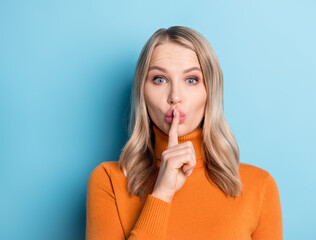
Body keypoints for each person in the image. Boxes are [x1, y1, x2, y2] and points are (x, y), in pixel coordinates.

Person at [86, 26, 282, 240]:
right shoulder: (109, 181)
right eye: (160, 79)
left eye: (191, 80)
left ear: (210, 91)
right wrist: (162, 194)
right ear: (142, 91)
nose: (175, 97)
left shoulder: (259, 187)